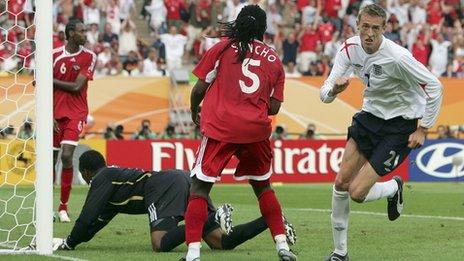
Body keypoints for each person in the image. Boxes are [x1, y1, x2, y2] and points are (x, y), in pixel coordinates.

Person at [319, 4, 443, 261]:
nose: (370, 33)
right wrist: (333, 91)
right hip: (369, 118)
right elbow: (325, 92)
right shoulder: (348, 49)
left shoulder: (398, 57)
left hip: (399, 126)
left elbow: (435, 86)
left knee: (357, 192)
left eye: (376, 28)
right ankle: (340, 253)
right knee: (341, 182)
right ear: (357, 25)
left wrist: (423, 128)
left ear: (385, 29)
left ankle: (392, 188)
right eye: (365, 26)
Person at [185, 5, 296, 261]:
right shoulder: (273, 59)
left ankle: (192, 254)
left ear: (238, 22)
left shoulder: (222, 48)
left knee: (199, 188)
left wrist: (194, 109)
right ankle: (282, 246)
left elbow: (199, 87)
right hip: (255, 131)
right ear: (263, 28)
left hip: (221, 127)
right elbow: (275, 106)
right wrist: (251, 104)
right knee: (263, 188)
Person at [52, 150, 296, 252]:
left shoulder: (102, 178)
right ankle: (270, 219)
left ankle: (211, 217)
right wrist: (74, 241)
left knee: (159, 243)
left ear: (85, 172)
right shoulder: (112, 180)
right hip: (181, 179)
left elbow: (86, 215)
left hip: (163, 186)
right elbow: (94, 223)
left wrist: (68, 244)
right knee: (220, 243)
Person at [52, 19, 97, 223]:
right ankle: (47, 206)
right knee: (49, 161)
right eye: (81, 31)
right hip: (53, 114)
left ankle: (63, 207)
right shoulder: (53, 55)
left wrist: (46, 78)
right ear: (70, 33)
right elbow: (42, 88)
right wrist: (47, 115)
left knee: (67, 156)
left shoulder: (90, 56)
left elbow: (77, 87)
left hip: (76, 112)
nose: (85, 34)